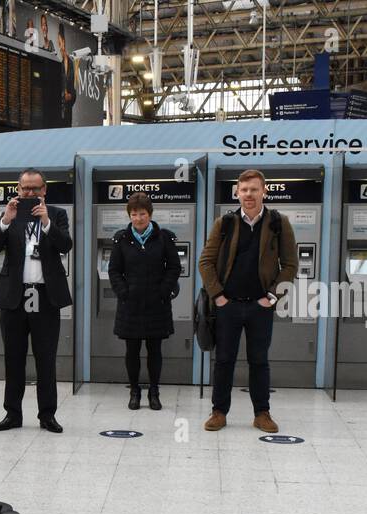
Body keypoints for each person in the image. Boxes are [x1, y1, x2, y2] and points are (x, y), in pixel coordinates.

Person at [198, 168, 298, 434]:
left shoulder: (279, 223)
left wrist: (273, 296)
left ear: (264, 191)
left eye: (254, 189)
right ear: (237, 193)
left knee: (259, 360)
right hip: (228, 306)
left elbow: (290, 265)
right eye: (244, 190)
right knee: (224, 361)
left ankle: (262, 414)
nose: (248, 195)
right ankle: (218, 412)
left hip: (260, 306)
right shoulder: (225, 223)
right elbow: (205, 261)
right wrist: (218, 296)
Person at [0, 167, 72, 433]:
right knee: (13, 358)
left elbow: (65, 245)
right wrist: (5, 220)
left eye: (36, 188)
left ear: (44, 190)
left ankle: (47, 415)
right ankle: (12, 414)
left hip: (45, 296)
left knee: (45, 358)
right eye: (26, 188)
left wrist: (46, 223)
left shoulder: (56, 214)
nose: (30, 193)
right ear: (18, 189)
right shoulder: (10, 213)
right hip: (15, 296)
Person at [107, 192, 181, 411]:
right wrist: (123, 292)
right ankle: (134, 391)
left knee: (154, 350)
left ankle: (155, 391)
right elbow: (114, 270)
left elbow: (174, 267)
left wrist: (163, 290)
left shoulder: (164, 238)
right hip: (130, 304)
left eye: (142, 214)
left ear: (150, 214)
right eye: (134, 214)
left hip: (157, 304)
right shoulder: (121, 239)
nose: (138, 218)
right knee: (132, 351)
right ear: (129, 215)